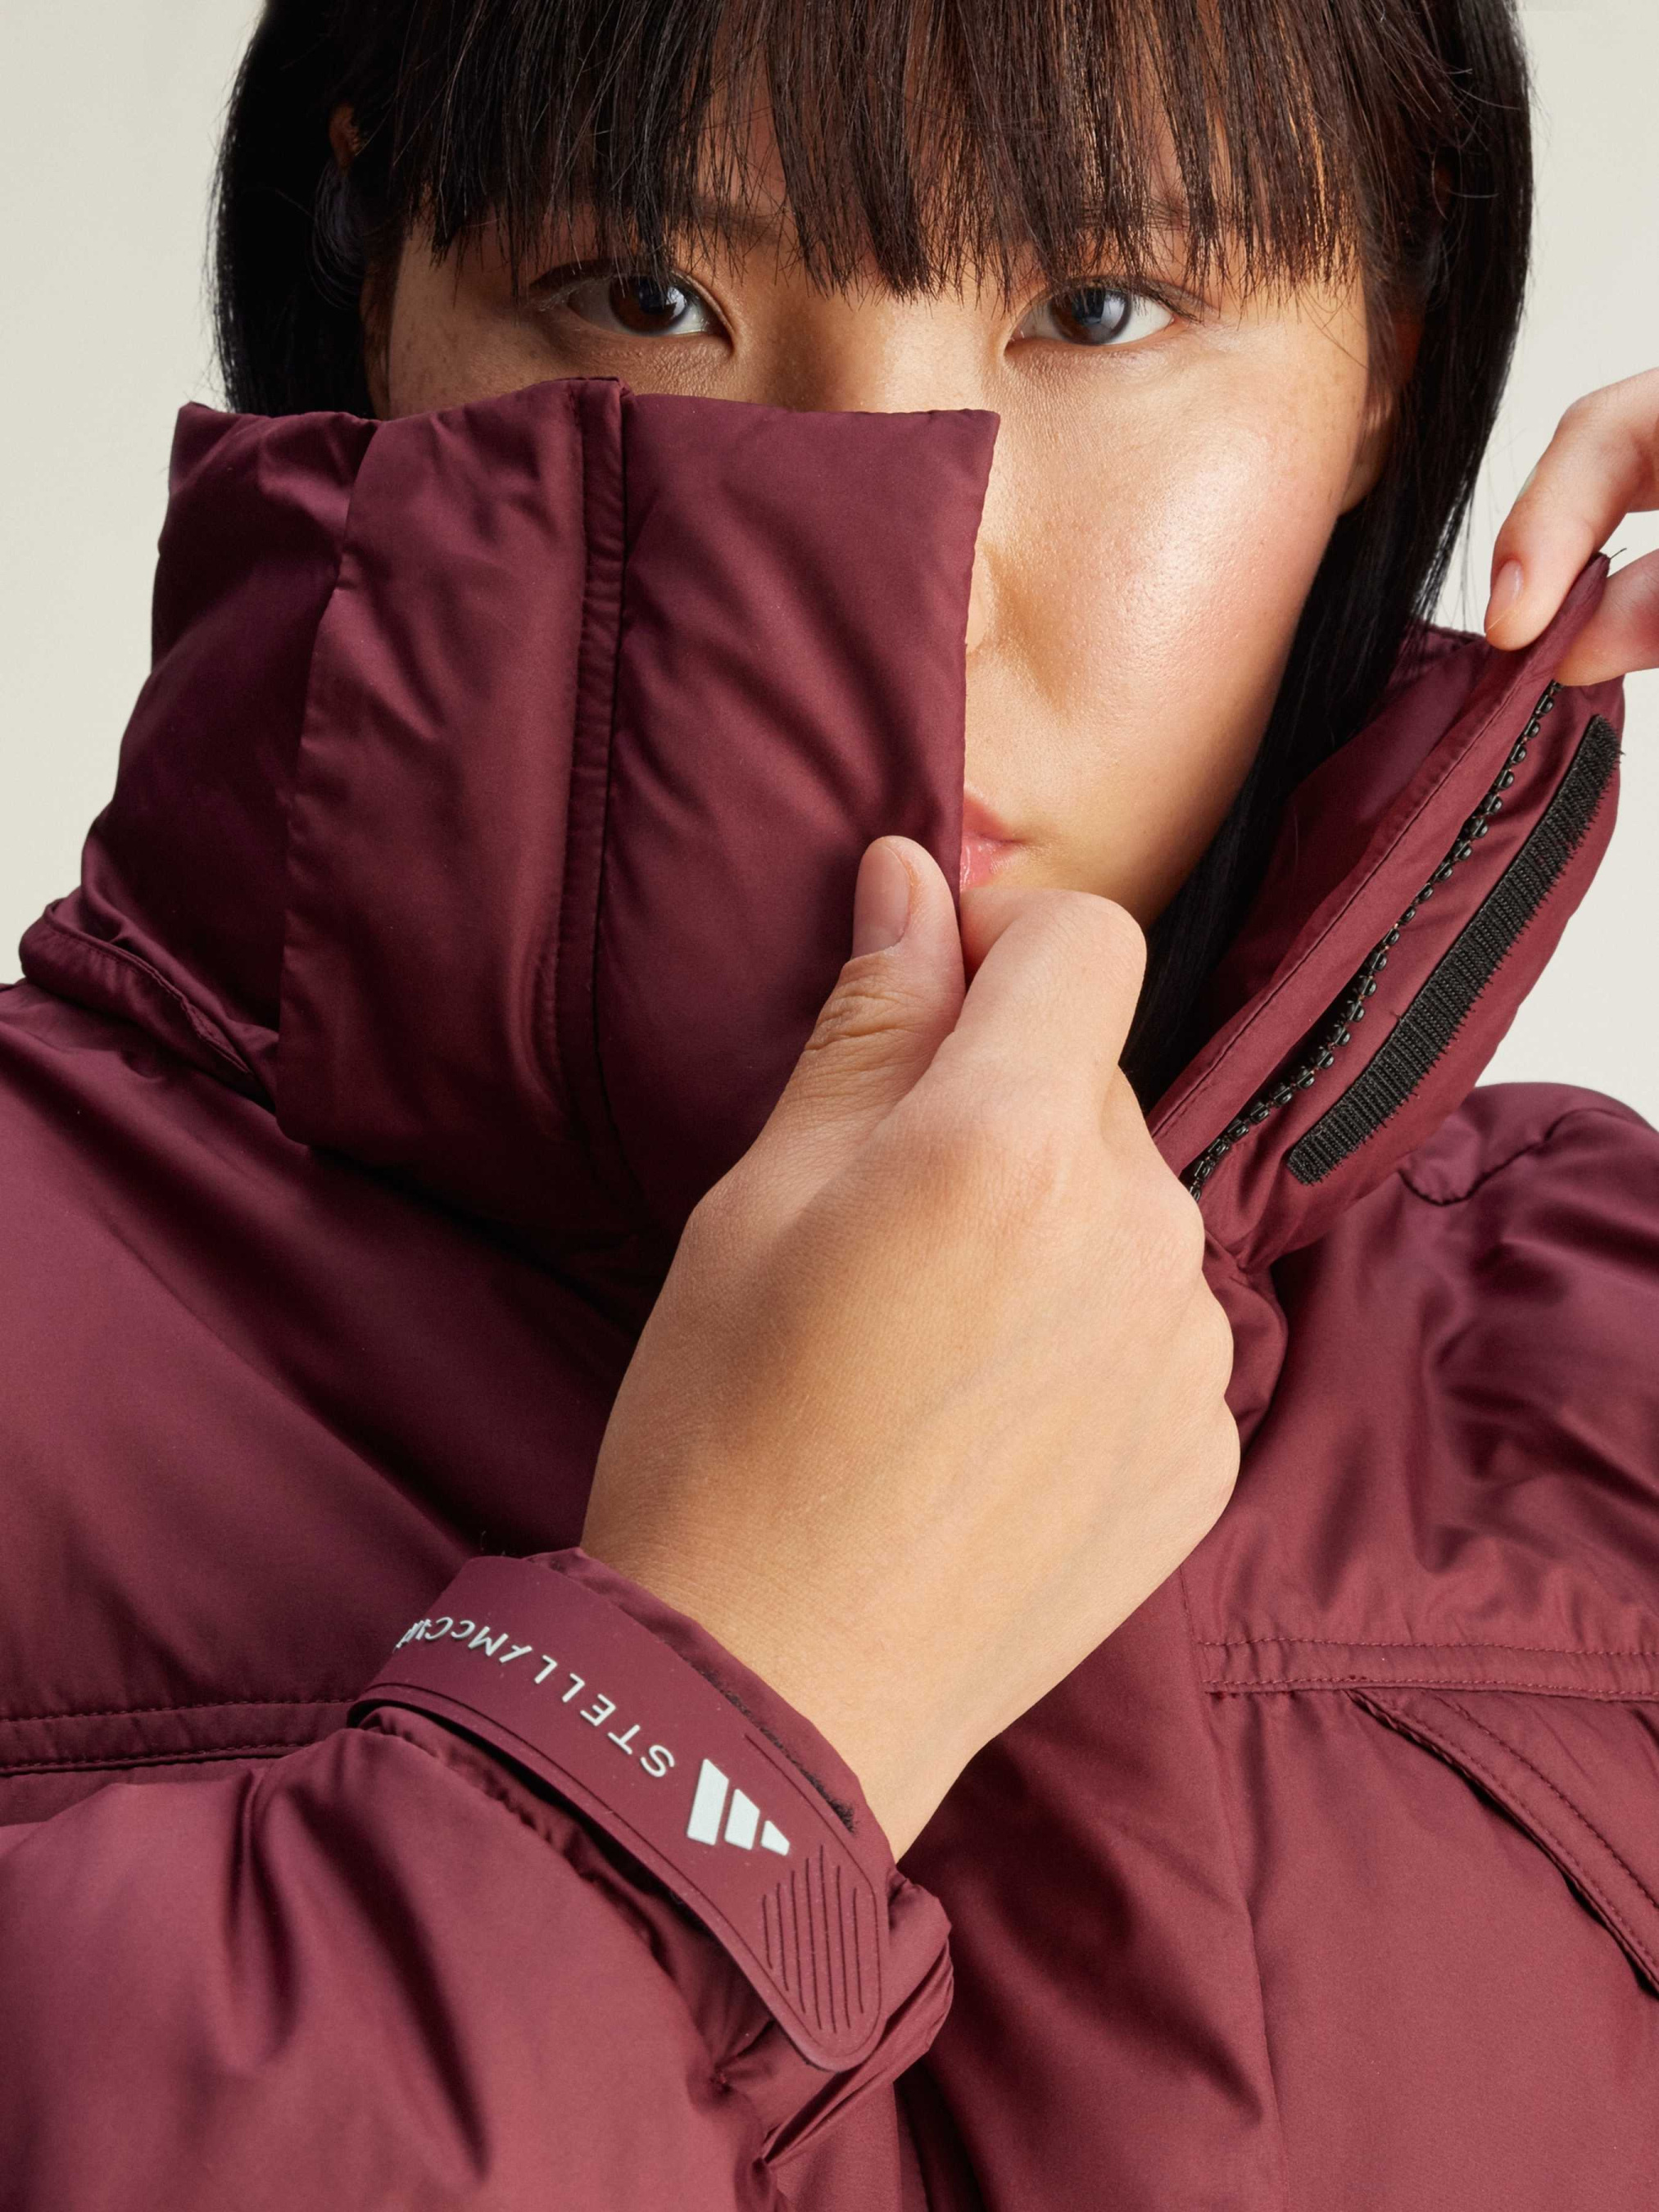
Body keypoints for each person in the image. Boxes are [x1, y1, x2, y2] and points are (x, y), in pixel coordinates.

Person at [4, 0, 1659, 2203]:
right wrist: (711, 1720)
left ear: (1385, 365)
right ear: (373, 280)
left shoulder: (1605, 1363)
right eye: (647, 294)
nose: (910, 590)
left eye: (1103, 308)